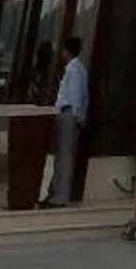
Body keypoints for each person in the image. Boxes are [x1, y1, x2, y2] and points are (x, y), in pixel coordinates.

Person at [53, 35, 89, 207]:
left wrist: (76, 117)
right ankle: (56, 192)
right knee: (63, 155)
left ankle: (61, 196)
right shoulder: (80, 69)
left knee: (65, 156)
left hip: (68, 115)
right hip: (70, 116)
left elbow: (75, 96)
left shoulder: (73, 70)